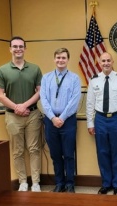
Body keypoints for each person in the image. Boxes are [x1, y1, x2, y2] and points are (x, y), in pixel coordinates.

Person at [0, 36, 42, 192]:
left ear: (25, 49)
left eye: (21, 46)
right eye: (15, 46)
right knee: (17, 151)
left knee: (34, 149)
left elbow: (40, 92)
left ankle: (35, 183)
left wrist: (25, 106)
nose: (18, 49)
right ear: (10, 49)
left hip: (33, 114)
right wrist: (17, 108)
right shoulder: (2, 70)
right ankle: (23, 182)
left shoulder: (35, 69)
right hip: (13, 116)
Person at [86, 52, 117, 195]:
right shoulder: (94, 80)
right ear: (99, 63)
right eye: (103, 61)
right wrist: (90, 123)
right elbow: (89, 103)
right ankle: (106, 183)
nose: (105, 63)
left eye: (108, 60)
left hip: (116, 119)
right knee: (102, 152)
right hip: (99, 119)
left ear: (113, 62)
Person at [40, 48, 81, 193]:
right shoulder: (46, 78)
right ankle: (59, 183)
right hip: (50, 120)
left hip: (68, 120)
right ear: (54, 59)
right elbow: (43, 99)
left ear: (68, 59)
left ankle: (70, 183)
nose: (60, 60)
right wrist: (52, 117)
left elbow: (74, 101)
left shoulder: (75, 78)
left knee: (69, 153)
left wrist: (61, 118)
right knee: (55, 154)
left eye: (63, 58)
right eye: (58, 57)